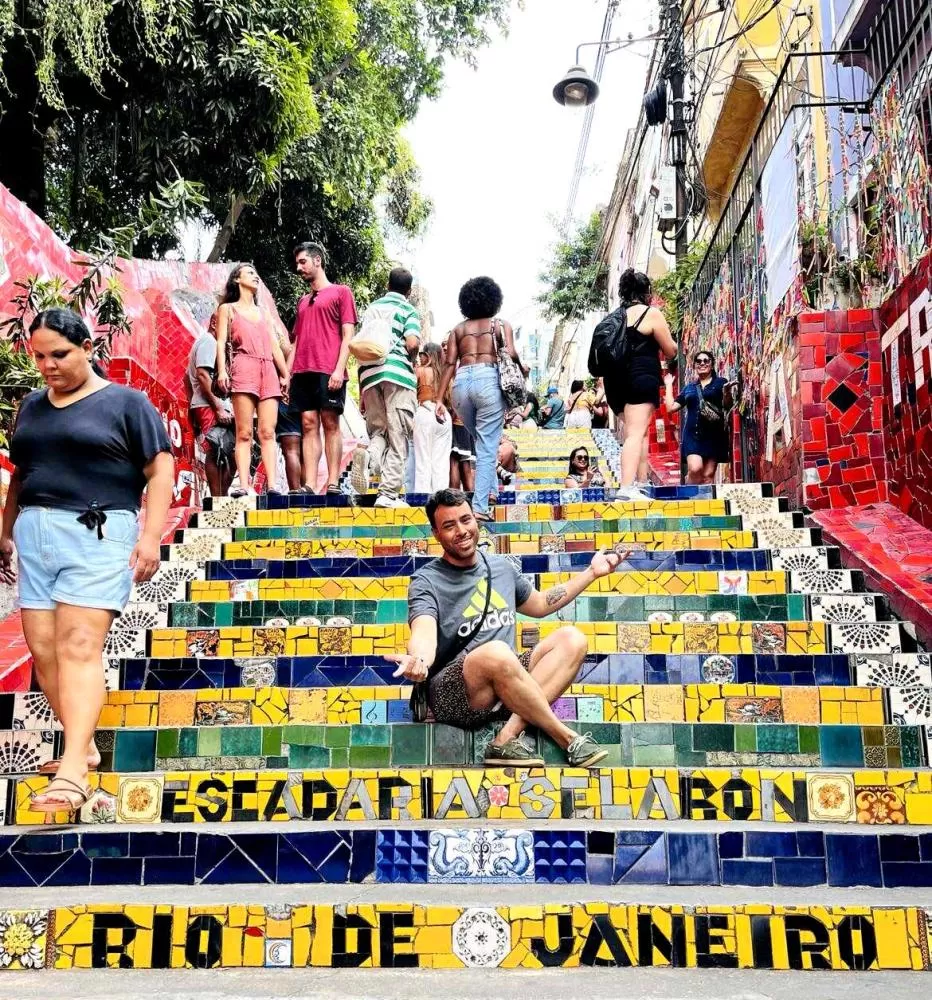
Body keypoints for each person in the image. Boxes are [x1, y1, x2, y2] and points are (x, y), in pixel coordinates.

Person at [0, 308, 174, 813]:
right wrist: (5, 530)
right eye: (39, 356)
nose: (48, 365)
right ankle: (86, 744)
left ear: (87, 349)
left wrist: (151, 537)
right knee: (44, 649)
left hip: (97, 532)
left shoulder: (126, 403)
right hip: (35, 536)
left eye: (60, 354)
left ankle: (73, 768)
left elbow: (160, 470)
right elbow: (26, 471)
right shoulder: (31, 406)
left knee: (78, 644)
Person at [387, 489, 621, 766]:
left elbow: (541, 603)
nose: (461, 531)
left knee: (573, 639)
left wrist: (591, 573)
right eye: (449, 526)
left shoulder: (500, 568)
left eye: (466, 520)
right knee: (496, 651)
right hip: (453, 693)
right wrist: (420, 660)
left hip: (506, 683)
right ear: (436, 534)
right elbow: (423, 632)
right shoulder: (426, 581)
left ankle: (505, 739)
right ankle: (566, 737)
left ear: (476, 520)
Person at [435, 277, 526, 522]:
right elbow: (512, 353)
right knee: (487, 445)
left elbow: (448, 363)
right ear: (494, 299)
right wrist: (522, 367)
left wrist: (439, 400)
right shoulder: (500, 324)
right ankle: (480, 507)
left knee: (483, 440)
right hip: (488, 380)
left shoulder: (458, 329)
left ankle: (492, 491)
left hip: (461, 385)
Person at [215, 263, 289, 497]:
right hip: (243, 364)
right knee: (244, 432)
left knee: (268, 431)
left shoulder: (264, 313)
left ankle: (273, 486)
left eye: (257, 274)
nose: (256, 277)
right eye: (250, 274)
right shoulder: (227, 309)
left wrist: (285, 373)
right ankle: (244, 486)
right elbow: (220, 342)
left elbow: (274, 345)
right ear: (237, 279)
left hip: (267, 368)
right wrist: (223, 371)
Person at [290, 242, 358, 495]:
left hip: (329, 368)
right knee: (308, 424)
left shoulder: (341, 292)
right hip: (302, 371)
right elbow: (295, 342)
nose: (299, 268)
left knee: (330, 422)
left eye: (303, 262)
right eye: (297, 263)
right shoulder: (302, 301)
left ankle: (332, 482)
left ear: (317, 261)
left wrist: (339, 369)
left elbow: (348, 333)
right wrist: (288, 375)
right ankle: (309, 484)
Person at [603, 269, 677, 500]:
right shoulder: (650, 314)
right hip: (639, 379)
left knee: (639, 431)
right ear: (646, 293)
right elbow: (670, 350)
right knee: (636, 434)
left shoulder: (613, 318)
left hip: (614, 384)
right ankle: (626, 488)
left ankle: (642, 483)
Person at [351, 268, 421, 507]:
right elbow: (412, 342)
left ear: (388, 285)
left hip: (369, 376)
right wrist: (412, 359)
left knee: (379, 432)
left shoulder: (371, 309)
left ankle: (368, 455)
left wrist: (362, 387)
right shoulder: (408, 310)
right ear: (408, 291)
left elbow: (364, 344)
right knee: (398, 435)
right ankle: (388, 494)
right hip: (397, 376)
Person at [664, 351, 733, 484]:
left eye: (706, 361)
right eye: (699, 361)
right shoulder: (689, 388)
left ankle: (705, 504)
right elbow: (670, 408)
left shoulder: (720, 383)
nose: (702, 363)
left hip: (714, 436)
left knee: (708, 476)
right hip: (692, 435)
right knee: (695, 469)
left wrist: (726, 393)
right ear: (695, 365)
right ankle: (690, 498)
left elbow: (727, 406)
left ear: (711, 364)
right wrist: (668, 385)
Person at [185, 314, 234, 497]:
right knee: (216, 450)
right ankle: (217, 498)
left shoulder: (206, 342)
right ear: (214, 323)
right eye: (228, 325)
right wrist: (218, 407)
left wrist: (192, 402)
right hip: (210, 405)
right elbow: (203, 375)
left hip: (206, 403)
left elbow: (185, 378)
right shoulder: (209, 342)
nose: (230, 331)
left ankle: (221, 496)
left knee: (228, 450)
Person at [413, 342, 452, 494]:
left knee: (423, 460)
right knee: (441, 463)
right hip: (443, 415)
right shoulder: (444, 374)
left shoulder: (420, 371)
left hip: (424, 412)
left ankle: (422, 500)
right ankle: (440, 499)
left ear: (427, 355)